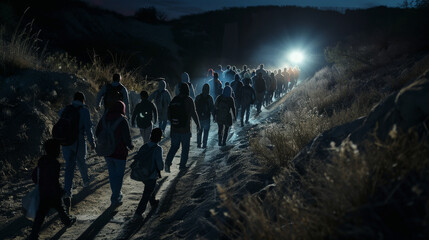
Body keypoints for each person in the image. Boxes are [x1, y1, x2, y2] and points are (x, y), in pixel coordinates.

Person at [29, 139, 76, 240]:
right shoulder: (55, 163)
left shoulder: (41, 160)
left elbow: (35, 176)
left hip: (43, 192)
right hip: (53, 192)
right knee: (60, 208)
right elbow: (54, 180)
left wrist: (40, 184)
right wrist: (60, 190)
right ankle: (68, 221)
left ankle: (33, 234)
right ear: (56, 151)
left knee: (40, 214)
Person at [60, 92, 95, 213]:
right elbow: (89, 129)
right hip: (78, 140)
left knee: (69, 167)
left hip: (65, 142)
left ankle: (67, 193)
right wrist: (92, 143)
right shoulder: (84, 111)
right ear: (83, 100)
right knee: (81, 161)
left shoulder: (65, 109)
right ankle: (86, 181)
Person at [96, 101, 134, 207]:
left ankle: (116, 195)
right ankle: (115, 198)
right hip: (120, 152)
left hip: (107, 151)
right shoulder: (122, 120)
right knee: (119, 176)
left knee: (112, 175)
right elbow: (127, 138)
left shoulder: (104, 118)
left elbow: (97, 133)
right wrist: (130, 146)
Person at [165, 83, 201, 172]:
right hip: (185, 129)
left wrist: (173, 123)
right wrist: (198, 124)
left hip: (174, 129)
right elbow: (193, 113)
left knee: (174, 147)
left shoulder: (174, 99)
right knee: (185, 148)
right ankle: (182, 166)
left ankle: (167, 163)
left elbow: (169, 115)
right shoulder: (189, 100)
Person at [134, 128, 164, 218]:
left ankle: (153, 201)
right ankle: (138, 212)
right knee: (147, 193)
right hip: (151, 174)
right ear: (159, 138)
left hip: (142, 174)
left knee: (150, 187)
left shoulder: (144, 146)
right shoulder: (158, 149)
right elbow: (160, 165)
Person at [195, 84, 215, 148]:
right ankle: (204, 144)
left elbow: (194, 108)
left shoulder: (198, 97)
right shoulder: (210, 98)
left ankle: (198, 144)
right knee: (206, 132)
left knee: (199, 131)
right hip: (207, 117)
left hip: (199, 118)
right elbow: (212, 108)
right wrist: (214, 116)